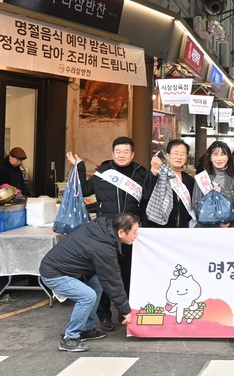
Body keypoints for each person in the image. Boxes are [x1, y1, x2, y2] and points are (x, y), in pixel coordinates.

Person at [67, 136, 148, 332]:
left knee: (128, 273)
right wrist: (79, 167)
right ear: (112, 153)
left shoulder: (141, 173)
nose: (121, 155)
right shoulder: (104, 172)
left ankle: (124, 311)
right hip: (106, 233)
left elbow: (148, 199)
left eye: (125, 152)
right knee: (103, 274)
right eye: (118, 152)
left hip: (130, 234)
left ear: (132, 154)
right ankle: (104, 315)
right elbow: (84, 190)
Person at [40, 213, 137, 352]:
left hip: (65, 269)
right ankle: (70, 338)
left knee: (97, 284)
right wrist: (125, 310)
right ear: (121, 232)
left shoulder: (102, 230)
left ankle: (85, 329)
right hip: (54, 273)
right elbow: (112, 280)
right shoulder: (103, 247)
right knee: (87, 296)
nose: (136, 236)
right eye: (134, 232)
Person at [143, 139, 196, 228]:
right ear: (167, 155)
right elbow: (146, 195)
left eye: (183, 154)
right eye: (176, 153)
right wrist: (154, 171)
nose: (179, 157)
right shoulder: (158, 174)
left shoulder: (189, 179)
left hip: (182, 227)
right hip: (160, 226)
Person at [191, 141, 234, 228]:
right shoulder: (202, 177)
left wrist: (223, 191)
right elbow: (195, 205)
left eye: (223, 154)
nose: (219, 158)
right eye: (215, 154)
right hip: (207, 228)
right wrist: (217, 220)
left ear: (228, 157)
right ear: (210, 157)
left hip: (231, 227)